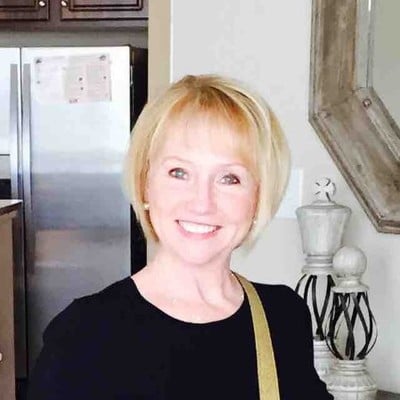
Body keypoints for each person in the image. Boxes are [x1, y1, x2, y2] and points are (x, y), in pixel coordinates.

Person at [27, 74, 333, 399]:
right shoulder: (82, 335)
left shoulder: (282, 316)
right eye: (179, 173)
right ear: (145, 184)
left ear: (258, 197)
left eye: (229, 178)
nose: (202, 203)